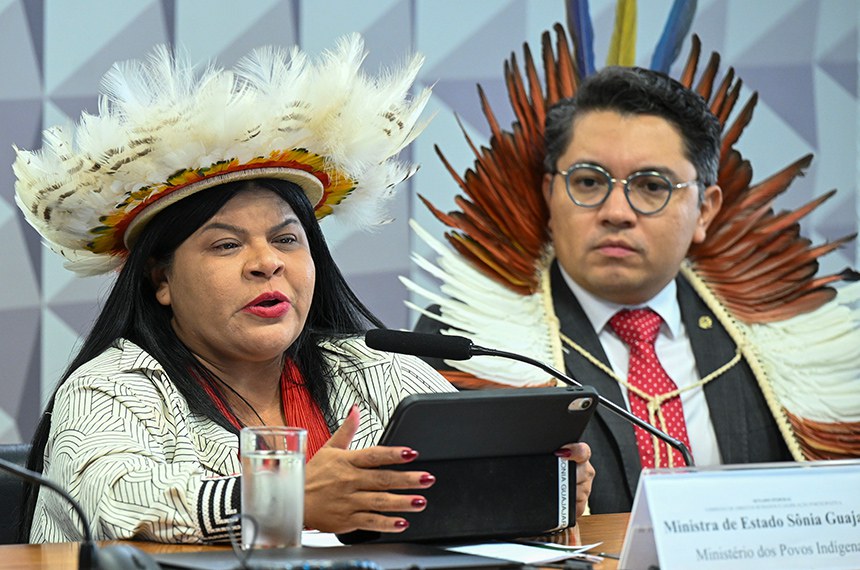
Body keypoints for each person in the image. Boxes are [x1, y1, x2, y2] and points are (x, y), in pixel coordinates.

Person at [13, 36, 594, 544]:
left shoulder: (370, 367)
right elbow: (119, 508)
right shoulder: (110, 388)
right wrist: (287, 497)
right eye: (225, 245)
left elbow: (454, 503)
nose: (267, 264)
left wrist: (534, 485)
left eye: (287, 240)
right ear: (160, 279)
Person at [409, 59, 860, 514]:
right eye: (588, 181)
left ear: (705, 210)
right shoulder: (463, 347)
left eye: (651, 186)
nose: (617, 211)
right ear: (549, 194)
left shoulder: (782, 343)